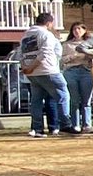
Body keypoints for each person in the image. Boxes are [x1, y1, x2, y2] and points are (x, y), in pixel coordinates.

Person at [18, 10, 70, 138]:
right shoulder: (46, 34)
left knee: (36, 101)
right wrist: (31, 67)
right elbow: (45, 53)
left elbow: (21, 54)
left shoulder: (26, 36)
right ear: (49, 23)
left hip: (32, 74)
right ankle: (65, 124)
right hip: (48, 70)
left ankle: (37, 129)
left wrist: (26, 68)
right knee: (63, 95)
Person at [60, 24, 93, 133]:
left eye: (79, 28)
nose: (77, 31)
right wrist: (75, 56)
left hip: (86, 71)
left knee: (87, 100)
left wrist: (86, 54)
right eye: (74, 29)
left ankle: (87, 124)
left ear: (84, 30)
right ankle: (75, 124)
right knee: (74, 100)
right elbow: (62, 60)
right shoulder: (67, 45)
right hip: (71, 72)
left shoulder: (90, 43)